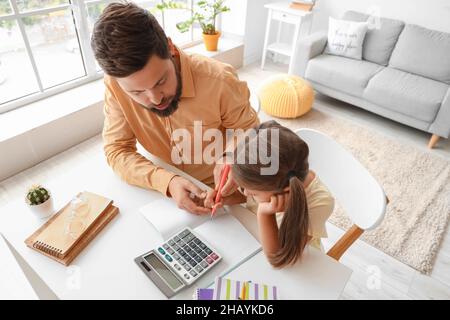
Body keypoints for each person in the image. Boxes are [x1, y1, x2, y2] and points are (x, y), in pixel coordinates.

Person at [90, 3, 259, 214]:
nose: (155, 99)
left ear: (170, 47)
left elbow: (250, 130)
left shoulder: (218, 80)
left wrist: (232, 156)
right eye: (137, 93)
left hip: (226, 196)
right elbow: (117, 150)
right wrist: (168, 182)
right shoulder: (115, 85)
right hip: (165, 197)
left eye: (160, 81)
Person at [205, 121, 335, 267]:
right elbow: (247, 196)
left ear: (285, 190)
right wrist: (225, 198)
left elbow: (279, 258)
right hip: (252, 238)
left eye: (252, 192)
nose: (246, 192)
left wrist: (264, 214)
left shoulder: (320, 202)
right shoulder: (269, 179)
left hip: (299, 266)